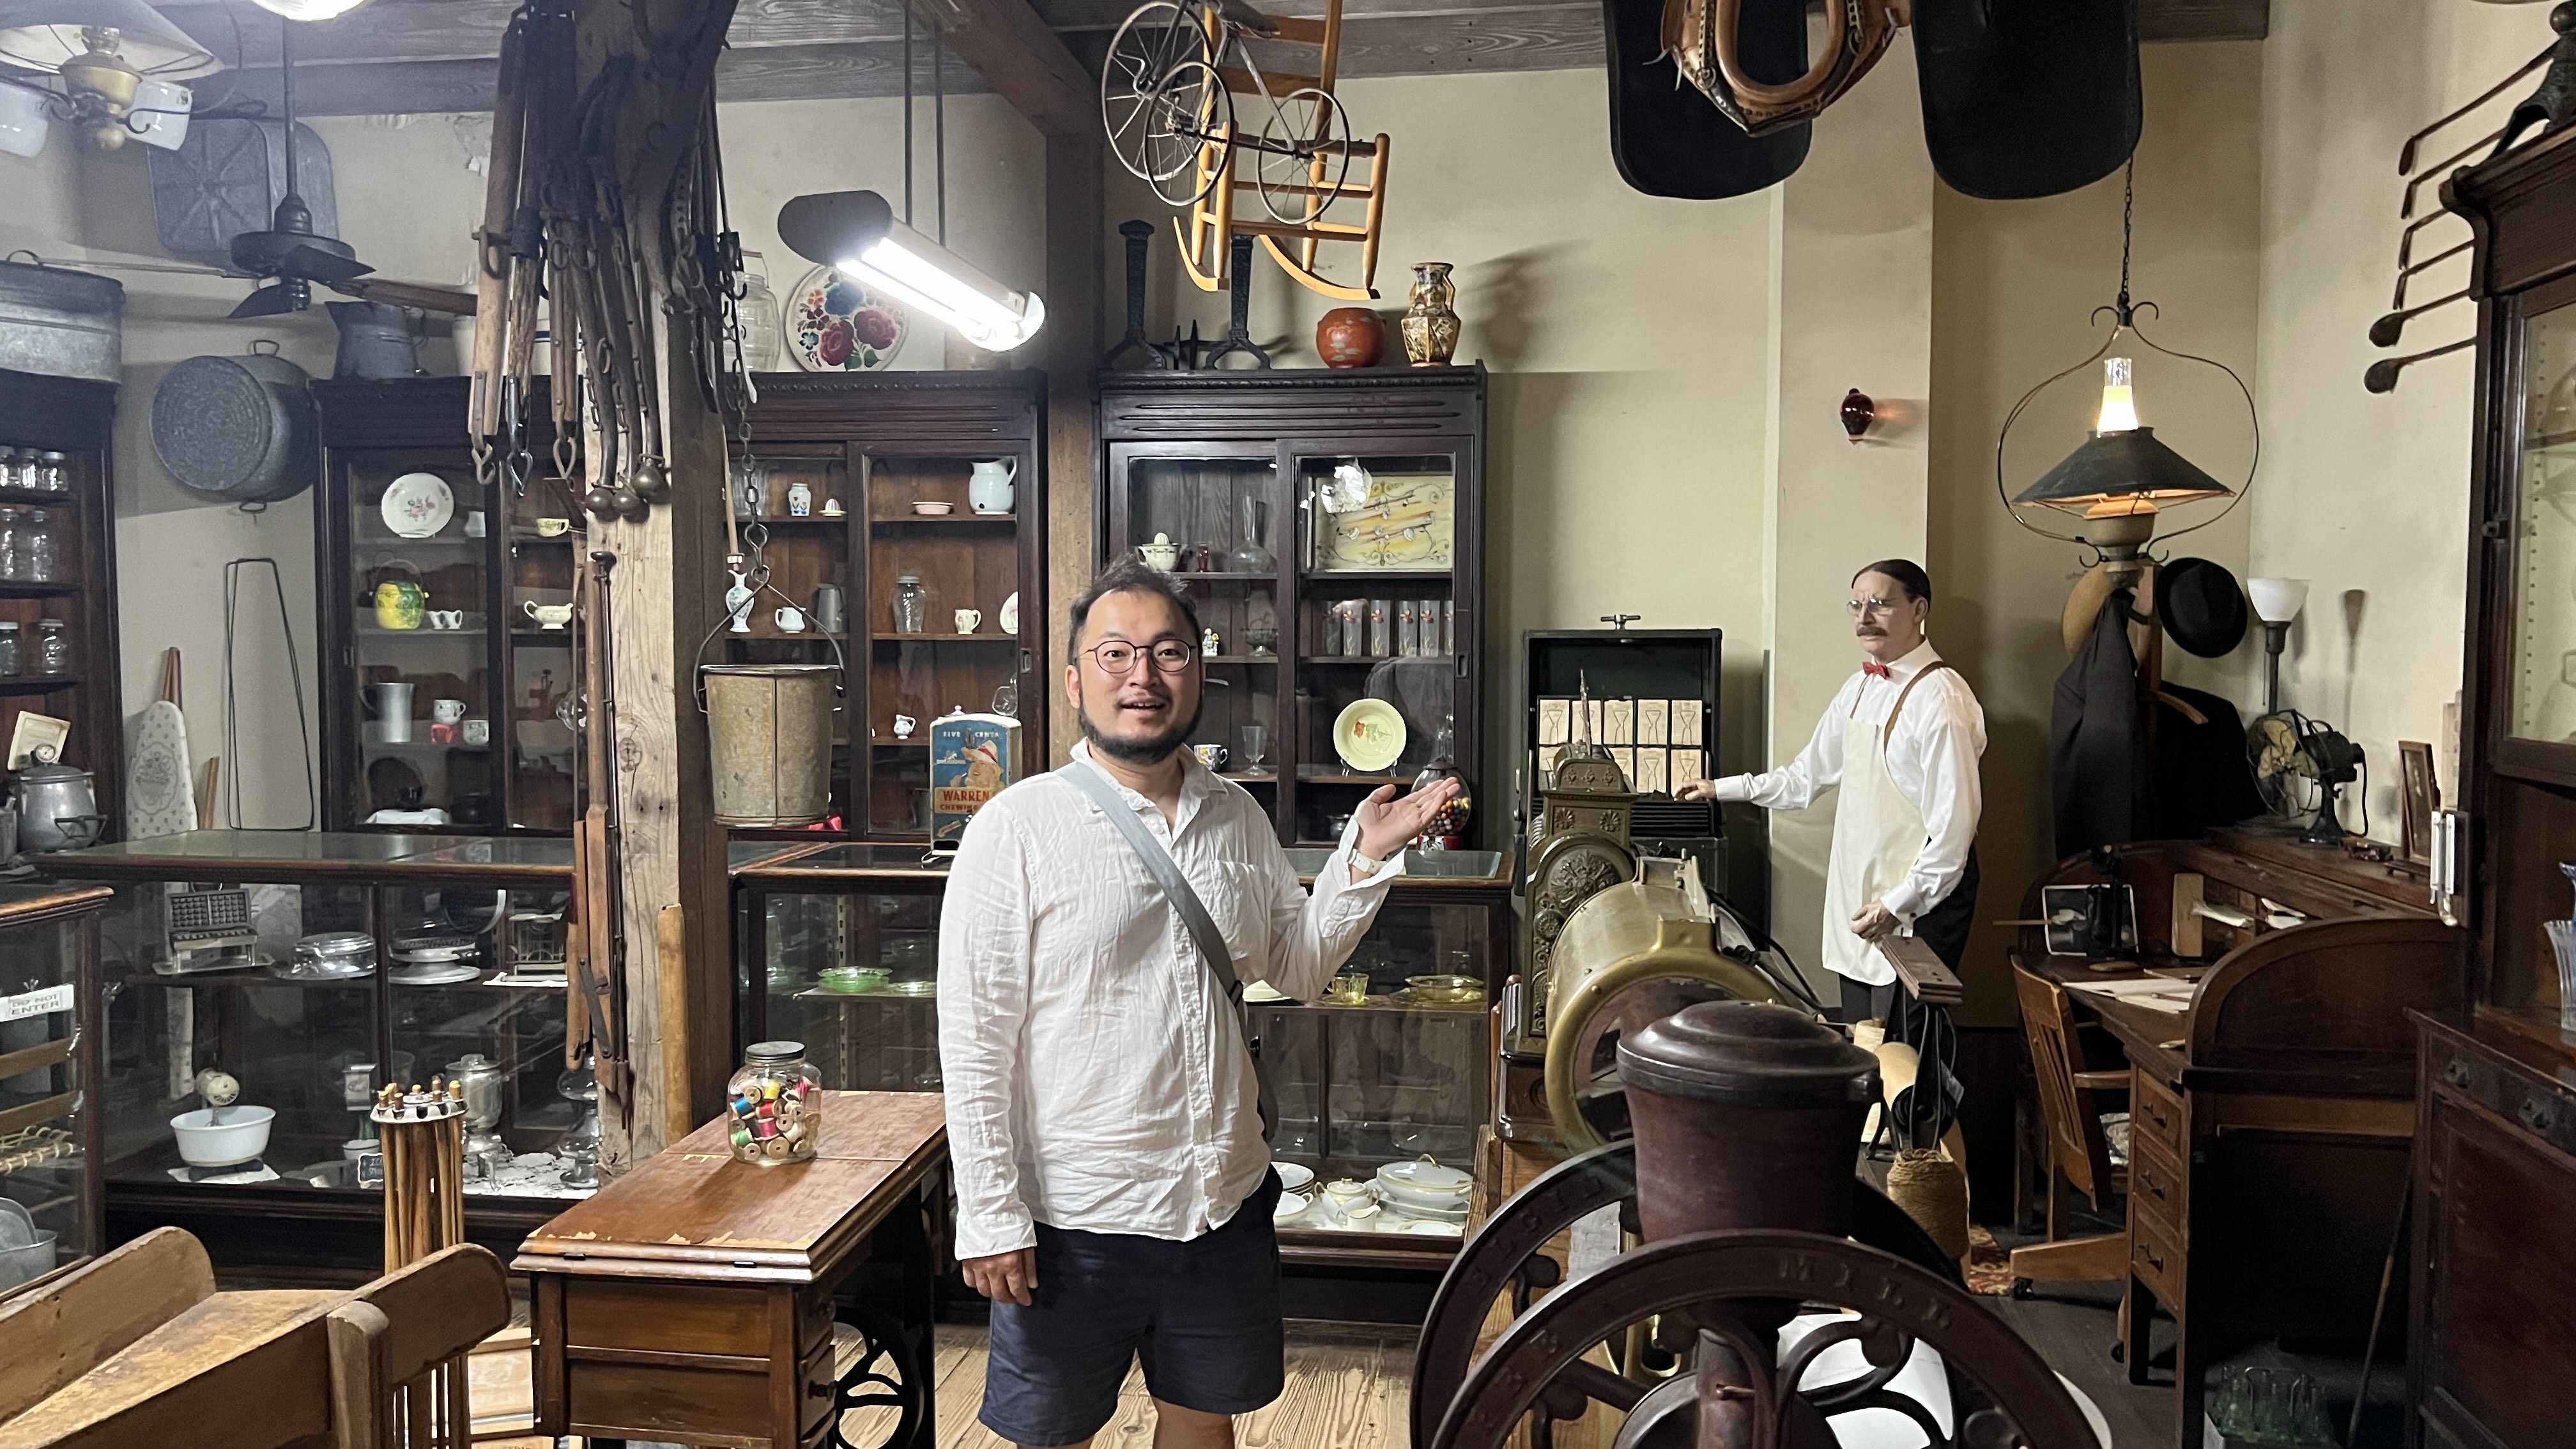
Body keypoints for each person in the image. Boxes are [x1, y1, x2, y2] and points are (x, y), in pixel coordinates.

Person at [937, 558, 1460, 1449]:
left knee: (1202, 1420)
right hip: (1074, 1214)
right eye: (1114, 653)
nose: (1142, 675)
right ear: (1075, 681)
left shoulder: (1237, 817)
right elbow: (976, 1038)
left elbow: (1297, 966)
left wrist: (1364, 858)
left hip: (1221, 1199)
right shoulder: (1016, 828)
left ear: (1198, 673)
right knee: (1053, 1436)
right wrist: (989, 1213)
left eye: (1168, 652)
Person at [1681, 559, 1986, 1028]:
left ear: (1919, 609)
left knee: (1907, 1051)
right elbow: (1804, 779)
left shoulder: (1942, 700)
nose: (1865, 617)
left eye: (1880, 604)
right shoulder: (1860, 687)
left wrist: (1898, 904)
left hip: (1919, 901)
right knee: (1865, 1042)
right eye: (1857, 605)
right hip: (1862, 894)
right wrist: (1720, 789)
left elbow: (1954, 833)